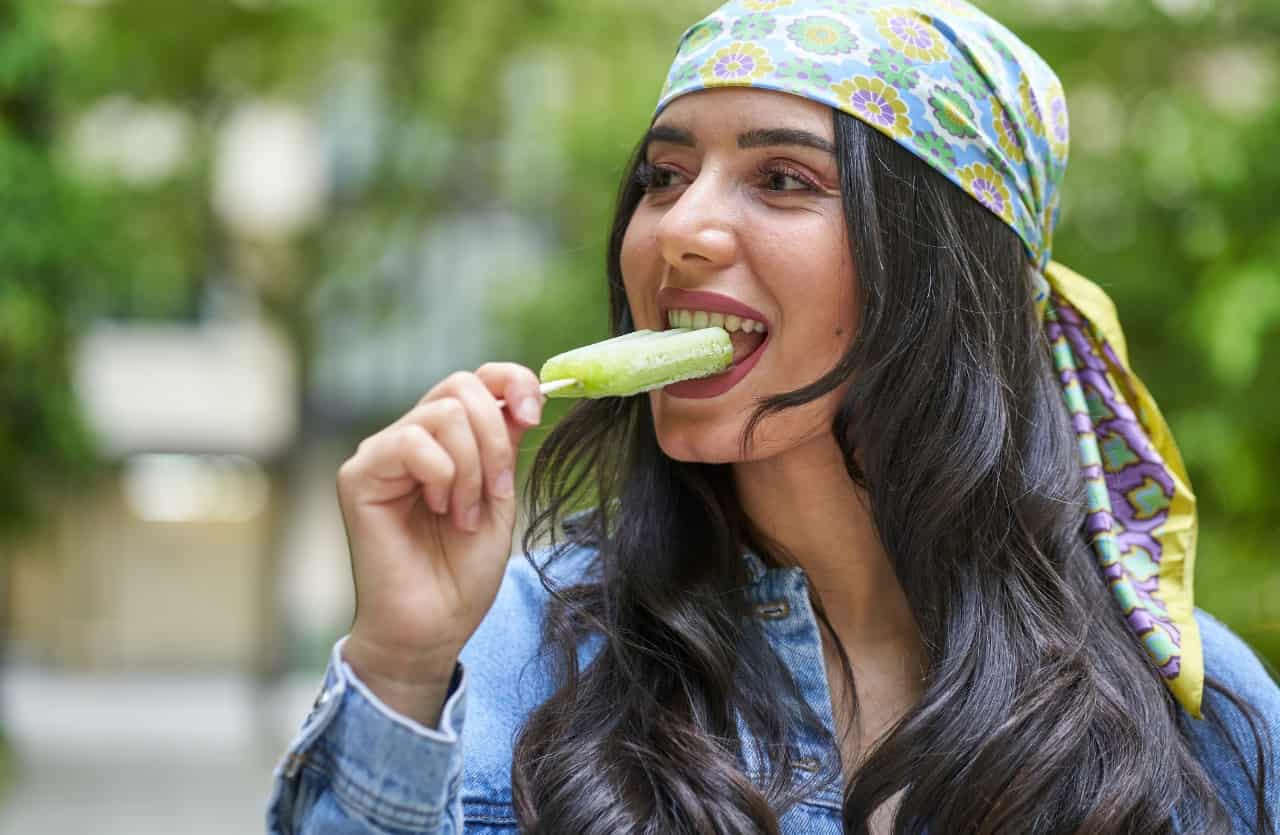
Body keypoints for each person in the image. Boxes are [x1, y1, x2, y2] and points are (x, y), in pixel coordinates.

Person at [267, 1, 1280, 832]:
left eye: (782, 178)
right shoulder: (501, 658)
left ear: (937, 276)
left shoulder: (1190, 707)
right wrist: (397, 665)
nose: (680, 230)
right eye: (664, 176)